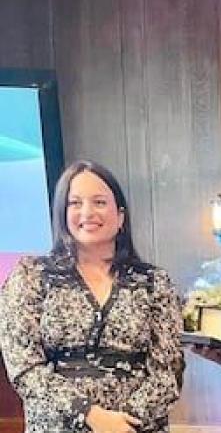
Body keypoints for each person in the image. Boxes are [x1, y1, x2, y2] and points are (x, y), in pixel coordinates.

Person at [0, 160, 183, 432]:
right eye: (75, 203)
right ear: (62, 213)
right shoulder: (31, 275)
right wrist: (90, 415)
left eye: (99, 202)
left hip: (136, 427)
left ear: (120, 217)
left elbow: (169, 369)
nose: (87, 212)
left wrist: (124, 422)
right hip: (57, 425)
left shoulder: (154, 281)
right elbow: (23, 365)